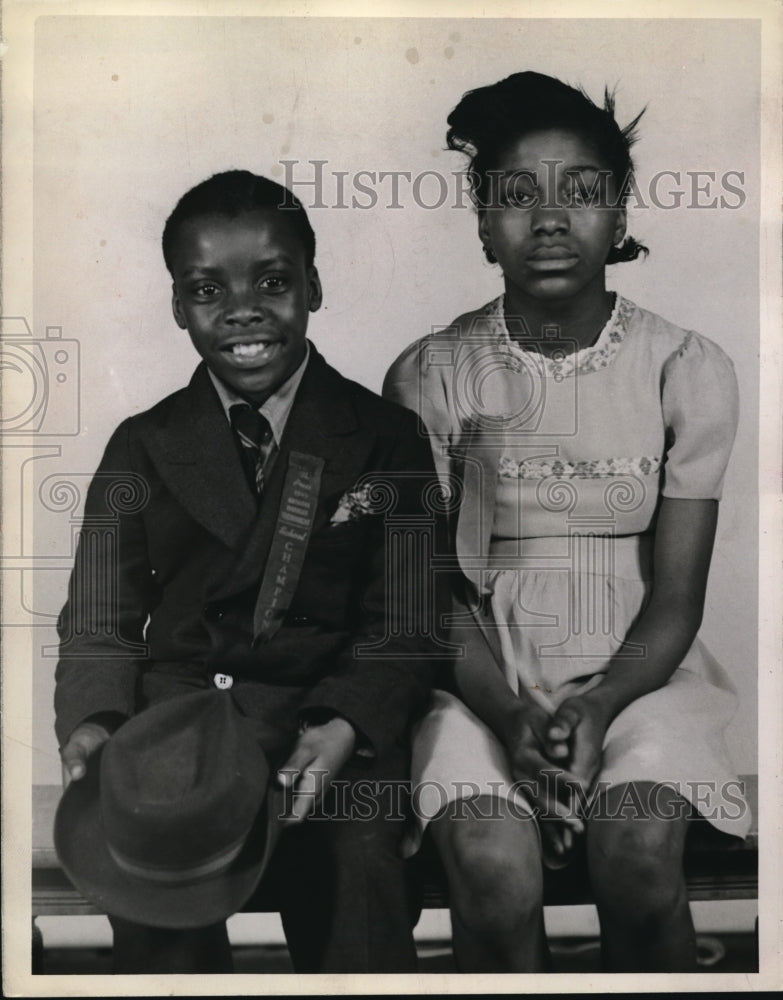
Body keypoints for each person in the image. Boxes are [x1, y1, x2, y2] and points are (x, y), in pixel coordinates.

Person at [383, 71, 752, 973]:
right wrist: (510, 714)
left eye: (581, 192)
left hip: (639, 672)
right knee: (492, 872)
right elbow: (427, 594)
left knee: (632, 855)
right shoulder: (430, 373)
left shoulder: (684, 367)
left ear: (619, 215)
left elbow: (674, 600)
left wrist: (598, 702)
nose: (549, 219)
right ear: (481, 225)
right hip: (475, 674)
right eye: (515, 197)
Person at [54, 169, 446, 974]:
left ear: (314, 285)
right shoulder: (142, 443)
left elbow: (407, 622)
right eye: (206, 290)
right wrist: (94, 723)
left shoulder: (382, 436)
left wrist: (345, 725)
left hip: (328, 722)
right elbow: (100, 619)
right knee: (152, 878)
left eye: (272, 282)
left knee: (360, 875)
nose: (242, 310)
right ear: (176, 307)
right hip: (182, 727)